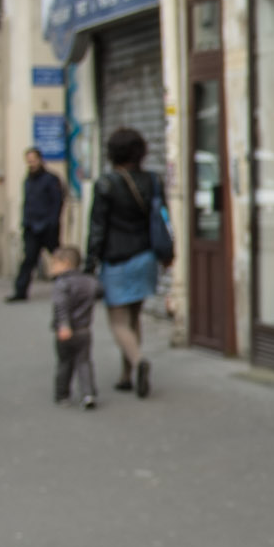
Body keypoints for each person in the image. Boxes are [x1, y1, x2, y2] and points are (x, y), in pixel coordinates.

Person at [84, 127, 167, 399]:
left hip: (117, 259)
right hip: (145, 256)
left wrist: (89, 263)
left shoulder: (106, 184)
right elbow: (162, 219)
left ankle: (139, 360)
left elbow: (97, 227)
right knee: (134, 317)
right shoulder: (153, 180)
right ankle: (126, 375)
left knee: (119, 322)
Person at [8, 148, 66, 303]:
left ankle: (68, 287)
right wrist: (25, 222)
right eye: (29, 160)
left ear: (40, 159)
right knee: (28, 259)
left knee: (57, 258)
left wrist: (52, 223)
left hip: (47, 227)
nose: (31, 163)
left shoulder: (50, 179)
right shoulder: (28, 179)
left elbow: (57, 203)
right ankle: (20, 291)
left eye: (33, 159)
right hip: (31, 226)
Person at [48, 245, 101, 409]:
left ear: (65, 263)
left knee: (65, 363)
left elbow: (61, 306)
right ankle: (88, 394)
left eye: (54, 264)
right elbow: (100, 291)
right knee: (84, 362)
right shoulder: (89, 282)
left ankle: (62, 394)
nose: (51, 268)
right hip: (84, 330)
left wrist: (64, 325)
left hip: (67, 330)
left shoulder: (62, 283)